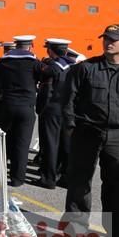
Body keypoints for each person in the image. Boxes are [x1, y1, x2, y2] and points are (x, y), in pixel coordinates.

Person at [62, 24, 119, 237]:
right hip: (87, 131)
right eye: (106, 38)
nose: (108, 42)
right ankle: (75, 230)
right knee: (79, 181)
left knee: (116, 183)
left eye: (113, 39)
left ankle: (116, 231)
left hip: (117, 135)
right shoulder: (86, 69)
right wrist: (70, 126)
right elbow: (68, 98)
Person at [0, 35, 43, 186]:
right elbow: (49, 75)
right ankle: (18, 178)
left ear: (16, 46)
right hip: (26, 108)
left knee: (1, 141)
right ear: (30, 46)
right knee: (22, 144)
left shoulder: (3, 62)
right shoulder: (34, 63)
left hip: (6, 106)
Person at [35, 38, 75, 189]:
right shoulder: (74, 66)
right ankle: (66, 176)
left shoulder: (52, 67)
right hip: (69, 109)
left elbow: (45, 83)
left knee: (50, 144)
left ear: (50, 50)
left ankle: (48, 179)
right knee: (66, 144)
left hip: (52, 109)